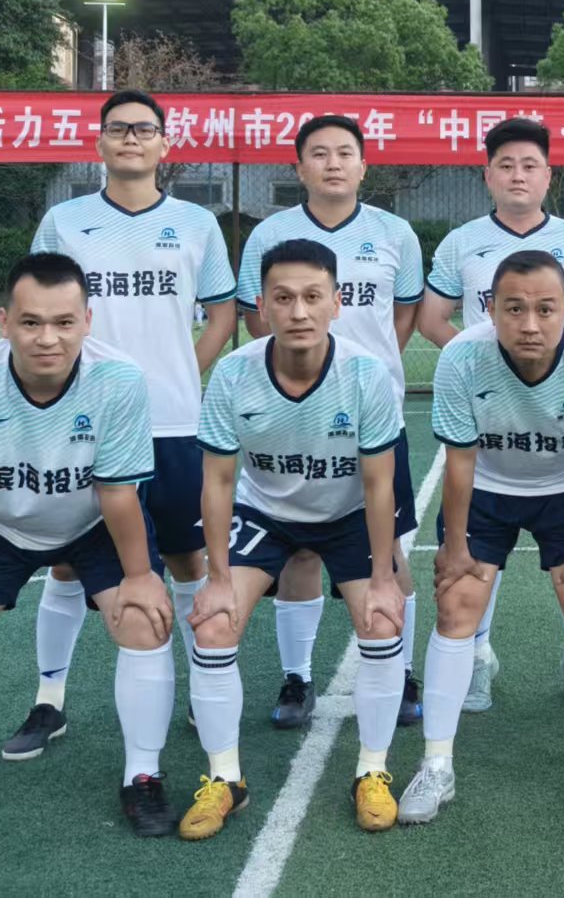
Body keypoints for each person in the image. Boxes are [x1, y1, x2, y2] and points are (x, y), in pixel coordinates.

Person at [0, 252, 178, 857]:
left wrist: (141, 576)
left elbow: (118, 494)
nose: (48, 338)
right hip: (0, 527)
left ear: (87, 321)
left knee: (142, 620)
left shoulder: (119, 379)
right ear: (4, 323)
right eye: (31, 322)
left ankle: (143, 776)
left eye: (64, 322)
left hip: (93, 523)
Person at [9, 90, 237, 761]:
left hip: (173, 422)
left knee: (186, 557)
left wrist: (181, 374)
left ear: (165, 143)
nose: (131, 138)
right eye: (118, 128)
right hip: (83, 424)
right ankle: (48, 699)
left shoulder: (196, 223)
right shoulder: (64, 221)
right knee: (67, 564)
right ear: (100, 143)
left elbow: (221, 314)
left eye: (143, 128)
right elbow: (37, 304)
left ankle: (200, 684)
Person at [400, 250, 564, 824]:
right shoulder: (463, 356)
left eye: (545, 309)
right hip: (487, 486)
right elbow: (459, 461)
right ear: (490, 309)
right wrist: (455, 547)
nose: (530, 324)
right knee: (457, 604)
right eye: (514, 309)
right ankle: (436, 764)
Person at [182, 240, 410, 837]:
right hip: (265, 512)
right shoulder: (234, 373)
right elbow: (218, 482)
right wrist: (217, 579)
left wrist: (383, 577)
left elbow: (380, 484)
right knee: (213, 623)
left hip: (347, 513)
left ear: (337, 302)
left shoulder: (366, 374)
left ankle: (373, 770)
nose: (299, 311)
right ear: (262, 306)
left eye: (313, 297)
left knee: (381, 620)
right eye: (283, 298)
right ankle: (225, 779)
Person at [235, 115, 425, 732]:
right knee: (299, 552)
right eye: (319, 153)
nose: (333, 163)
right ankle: (297, 677)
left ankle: (401, 671)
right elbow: (256, 320)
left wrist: (362, 376)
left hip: (372, 415)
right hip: (289, 419)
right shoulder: (270, 234)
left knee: (388, 550)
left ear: (364, 166)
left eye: (345, 153)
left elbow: (402, 316)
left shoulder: (395, 232)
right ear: (299, 168)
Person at [417, 117, 564, 709]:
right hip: (491, 416)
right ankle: (476, 655)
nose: (518, 175)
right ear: (488, 176)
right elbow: (431, 316)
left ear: (549, 175)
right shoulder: (462, 241)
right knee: (475, 558)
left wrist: (561, 349)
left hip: (557, 415)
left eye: (530, 165)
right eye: (506, 165)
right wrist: (480, 360)